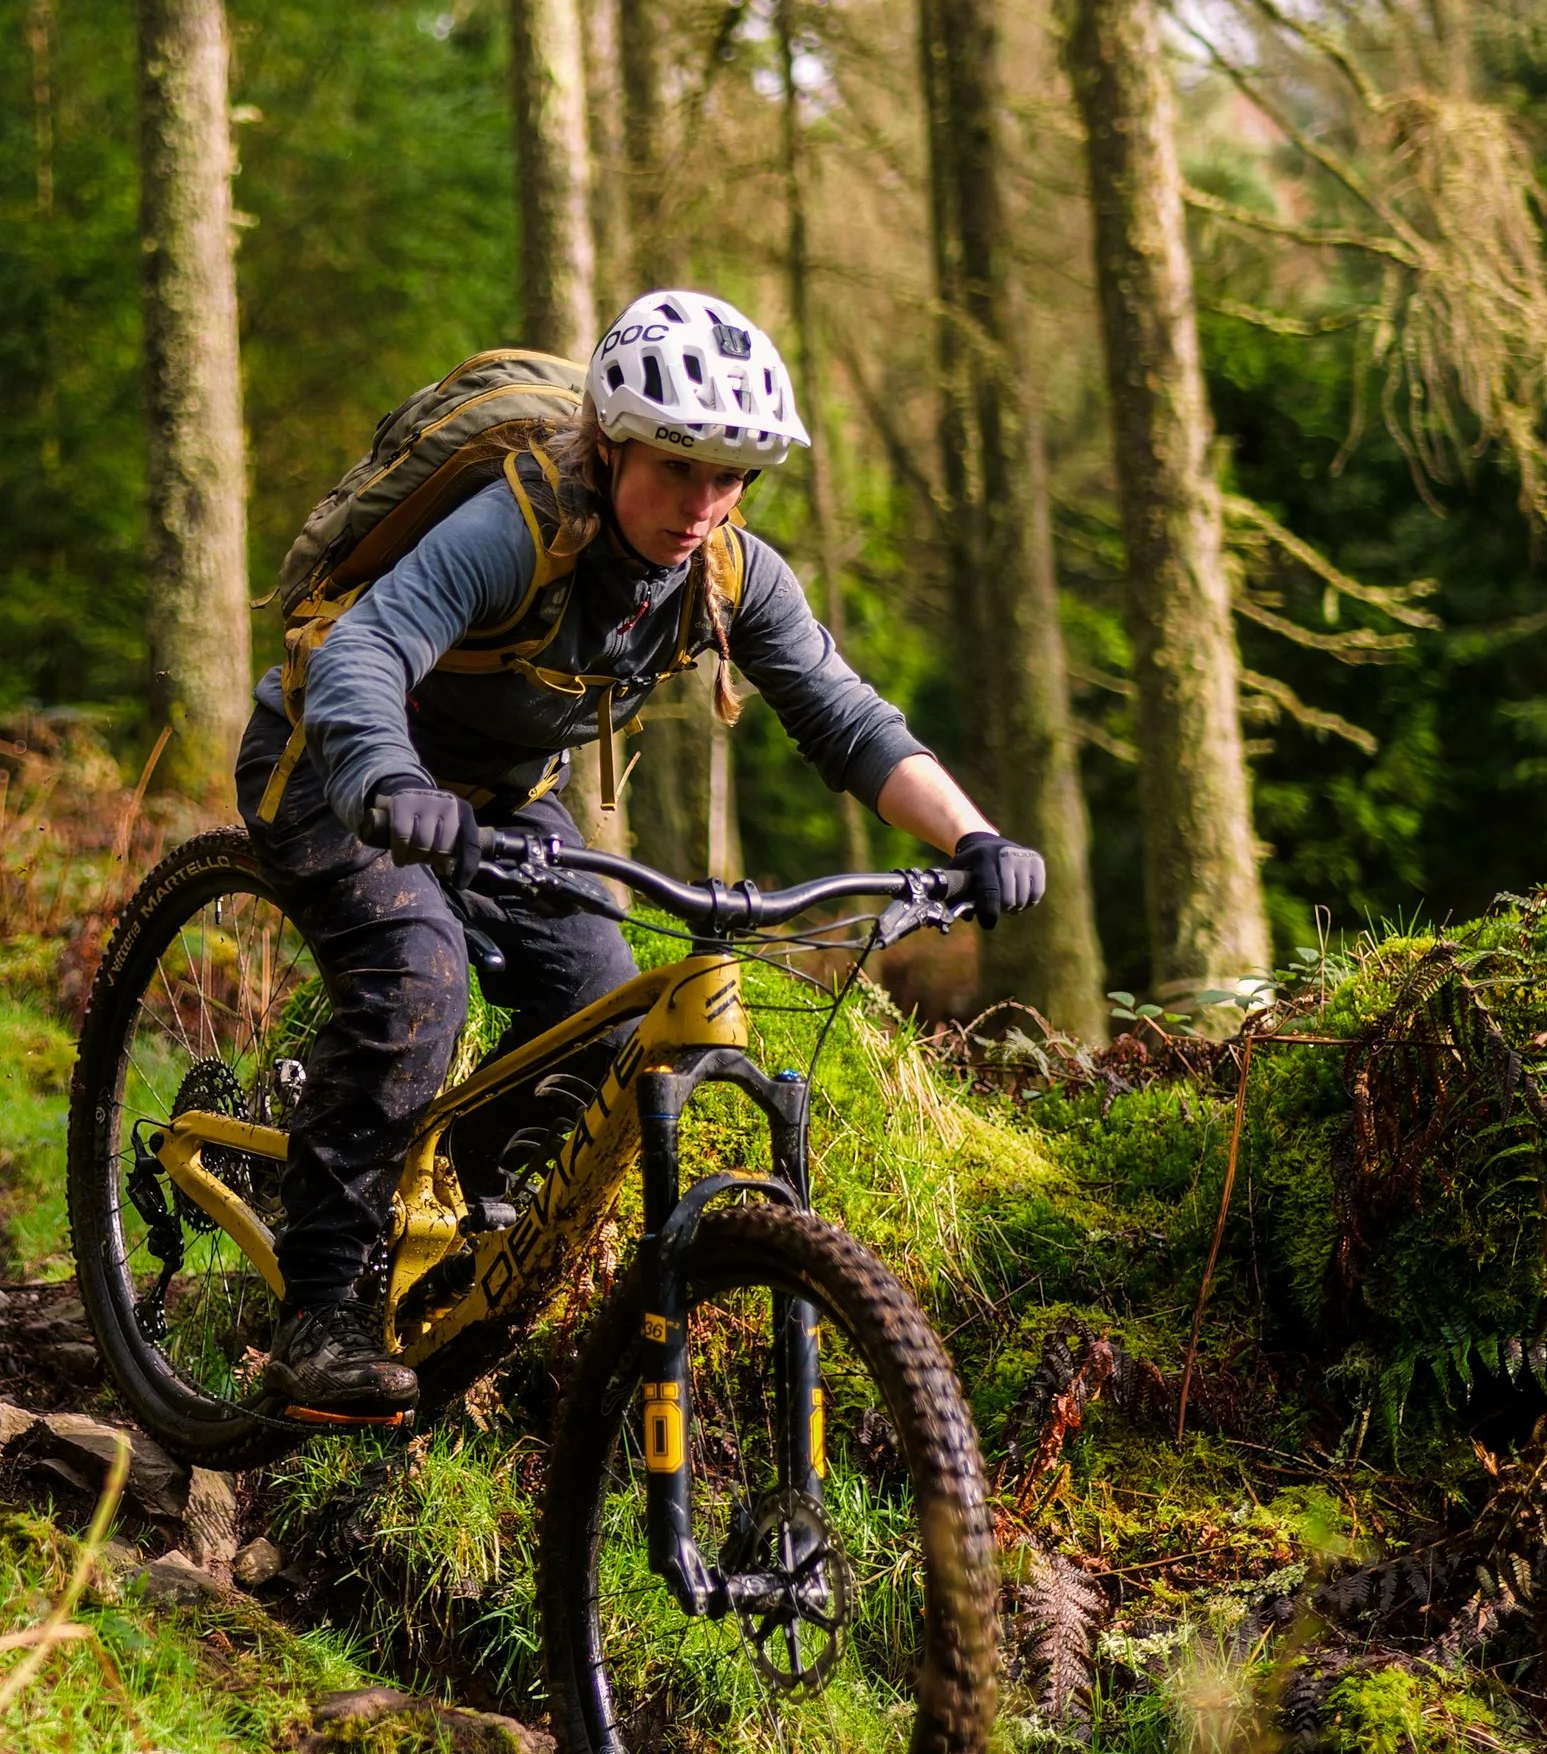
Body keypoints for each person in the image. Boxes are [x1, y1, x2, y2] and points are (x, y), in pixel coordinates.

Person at [234, 287, 1046, 1424]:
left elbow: (848, 720)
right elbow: (369, 650)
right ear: (612, 446)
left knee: (610, 1018)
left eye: (729, 479)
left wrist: (972, 836)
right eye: (676, 468)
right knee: (417, 981)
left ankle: (434, 1208)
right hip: (339, 767)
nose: (700, 504)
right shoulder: (512, 527)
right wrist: (392, 784)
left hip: (505, 803)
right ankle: (317, 1314)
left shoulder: (728, 575)